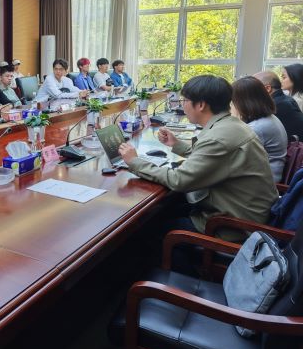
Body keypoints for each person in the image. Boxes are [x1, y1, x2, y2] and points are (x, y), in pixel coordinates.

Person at [118, 75, 278, 242]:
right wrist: (176, 144)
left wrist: (134, 162)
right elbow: (212, 160)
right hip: (244, 213)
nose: (182, 105)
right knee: (164, 208)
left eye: (185, 100)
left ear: (201, 105)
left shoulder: (218, 138)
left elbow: (179, 180)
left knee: (146, 227)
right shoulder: (231, 125)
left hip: (233, 227)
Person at [231, 76, 287, 182]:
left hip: (262, 183)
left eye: (233, 102)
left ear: (243, 103)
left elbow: (233, 159)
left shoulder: (257, 128)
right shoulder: (269, 118)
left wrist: (234, 118)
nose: (232, 106)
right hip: (268, 175)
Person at [253, 71, 303, 139]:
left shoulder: (276, 105)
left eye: (252, 88)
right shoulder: (286, 99)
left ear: (267, 88)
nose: (249, 92)